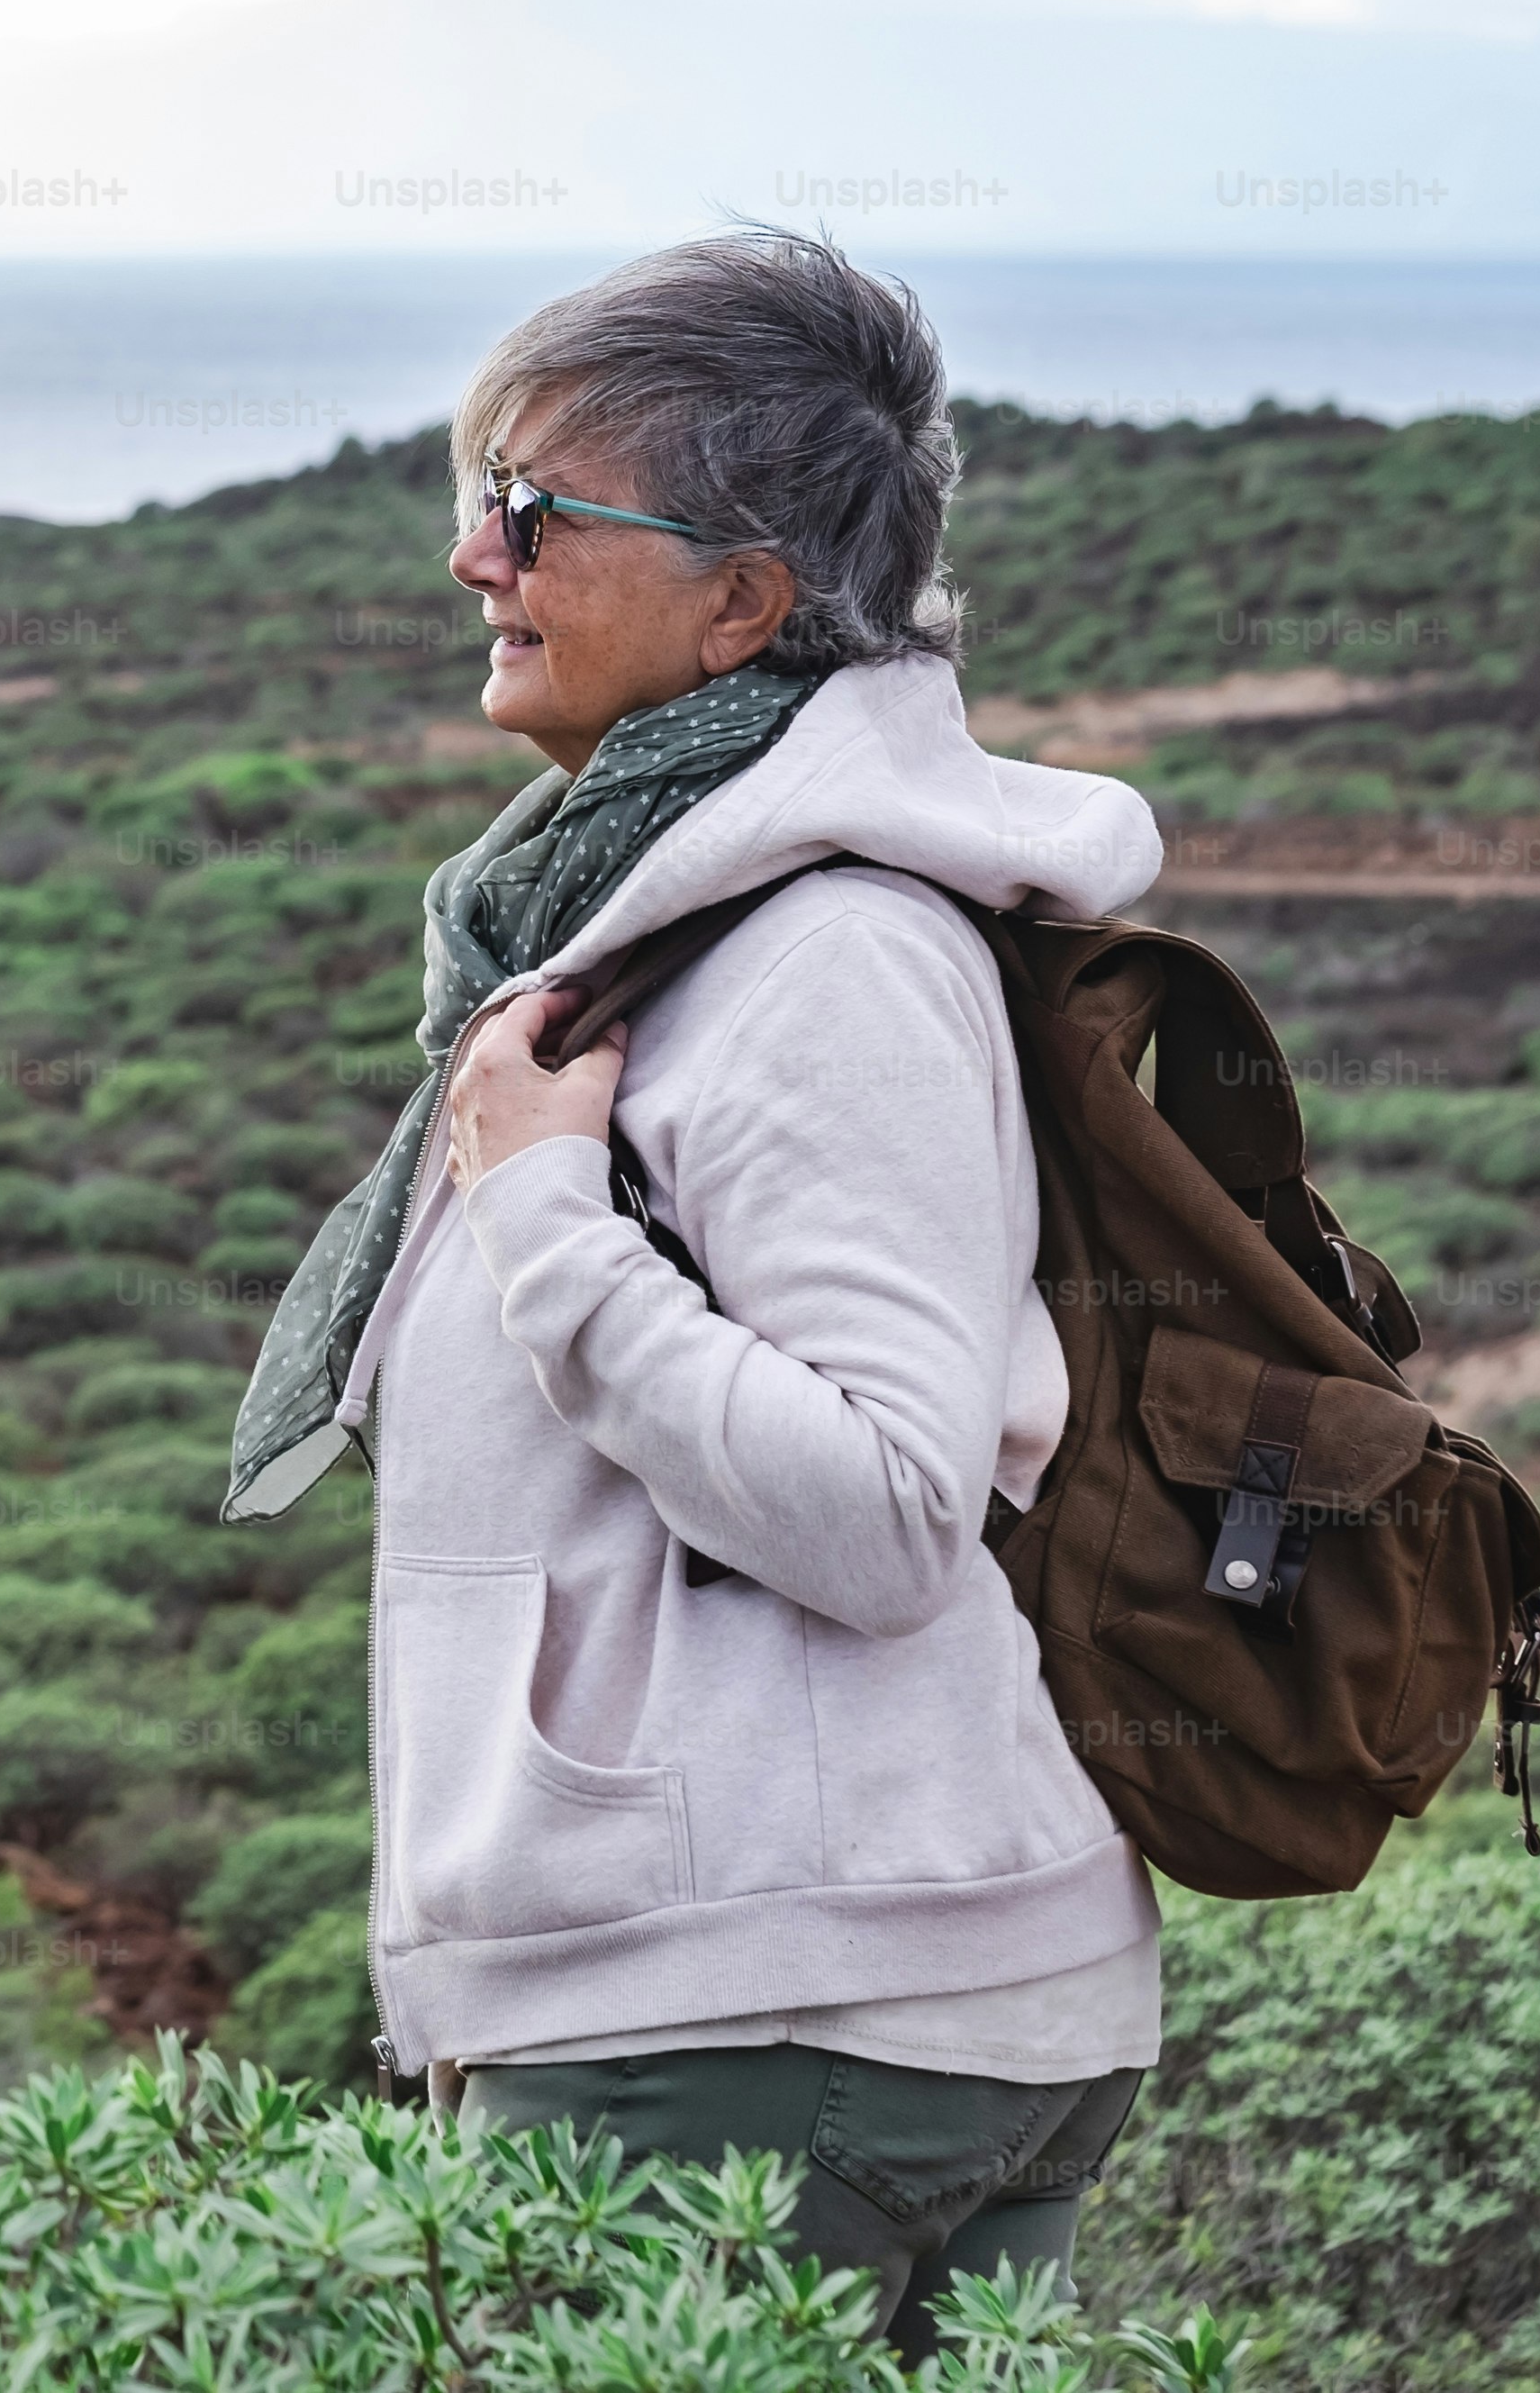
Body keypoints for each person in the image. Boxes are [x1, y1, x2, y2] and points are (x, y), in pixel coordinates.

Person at [219, 230, 1163, 2355]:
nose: (474, 556)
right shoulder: (661, 918)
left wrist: (543, 1212)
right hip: (819, 1982)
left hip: (766, 2008)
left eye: (536, 511)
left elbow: (886, 1507)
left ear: (743, 600)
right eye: (473, 497)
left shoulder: (827, 950)